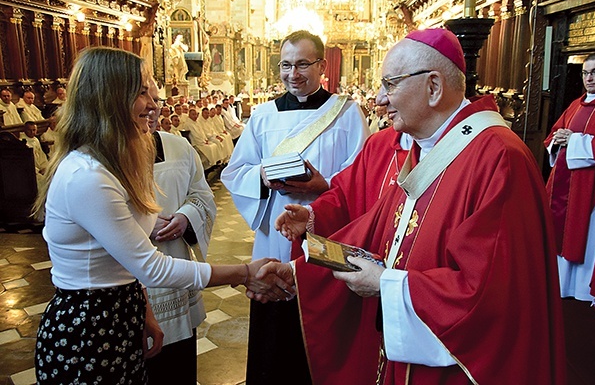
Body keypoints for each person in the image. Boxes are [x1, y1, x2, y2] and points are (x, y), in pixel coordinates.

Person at [263, 28, 566, 384]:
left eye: (389, 84)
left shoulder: (499, 158)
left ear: (434, 87)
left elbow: (491, 295)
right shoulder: (427, 148)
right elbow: (377, 227)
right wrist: (309, 252)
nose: (379, 99)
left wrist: (387, 285)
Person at [32, 47, 294, 385]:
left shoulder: (109, 166)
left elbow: (122, 260)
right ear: (111, 98)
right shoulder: (88, 176)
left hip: (118, 311)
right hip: (89, 328)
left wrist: (144, 312)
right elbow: (152, 266)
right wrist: (245, 272)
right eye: (142, 92)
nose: (154, 105)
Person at [221, 30, 369, 385]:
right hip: (275, 230)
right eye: (286, 65)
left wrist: (324, 186)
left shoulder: (346, 114)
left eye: (303, 64)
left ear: (321, 65)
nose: (293, 73)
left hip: (326, 228)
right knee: (275, 317)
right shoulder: (262, 115)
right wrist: (262, 176)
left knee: (321, 319)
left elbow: (362, 178)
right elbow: (236, 171)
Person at [144, 78, 217, 384]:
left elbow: (201, 195)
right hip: (136, 279)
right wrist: (144, 225)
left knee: (180, 366)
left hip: (177, 264)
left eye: (156, 101)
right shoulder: (104, 157)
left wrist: (186, 217)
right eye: (144, 99)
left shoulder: (178, 146)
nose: (151, 109)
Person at [544, 52, 595, 384]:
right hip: (566, 186)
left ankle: (584, 289)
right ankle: (565, 283)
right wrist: (559, 142)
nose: (590, 78)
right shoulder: (576, 105)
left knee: (587, 237)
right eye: (587, 73)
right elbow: (553, 134)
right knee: (562, 235)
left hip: (591, 194)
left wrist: (575, 140)